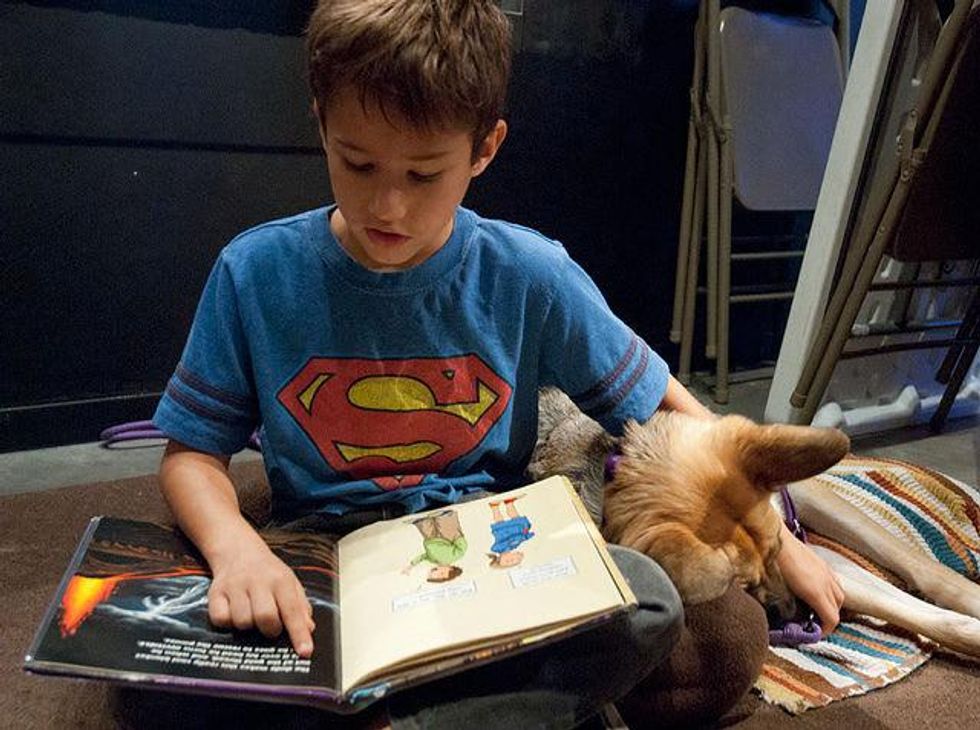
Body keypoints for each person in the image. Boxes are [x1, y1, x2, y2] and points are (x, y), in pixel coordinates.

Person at [153, 0, 842, 726]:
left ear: (485, 148)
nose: (387, 205)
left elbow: (671, 411)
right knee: (156, 675)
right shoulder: (254, 272)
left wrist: (784, 541)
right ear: (321, 120)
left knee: (698, 620)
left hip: (495, 553)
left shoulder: (531, 274)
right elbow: (190, 453)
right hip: (324, 553)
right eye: (357, 163)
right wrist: (235, 551)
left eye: (424, 175)